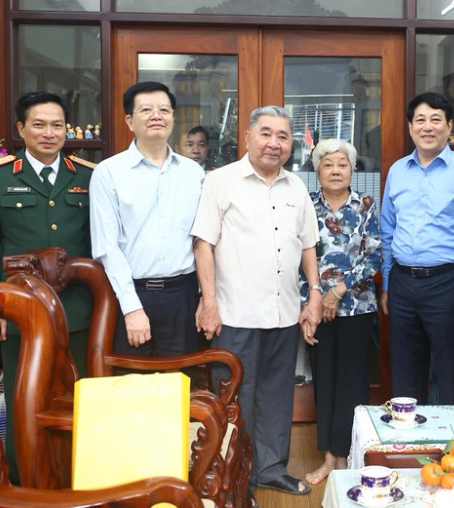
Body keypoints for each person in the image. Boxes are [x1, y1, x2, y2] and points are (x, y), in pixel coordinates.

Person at [191, 106, 322, 503]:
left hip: (283, 312)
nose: (274, 143)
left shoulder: (296, 187)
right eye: (266, 133)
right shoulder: (221, 181)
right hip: (235, 313)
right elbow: (203, 244)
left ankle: (269, 468)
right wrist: (209, 302)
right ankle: (235, 477)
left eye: (283, 136)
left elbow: (309, 244)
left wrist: (314, 294)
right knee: (236, 400)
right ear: (247, 136)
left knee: (277, 395)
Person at [0, 91, 95, 483]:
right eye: (39, 125)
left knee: (79, 399)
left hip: (76, 311)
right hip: (18, 314)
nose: (49, 133)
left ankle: (76, 479)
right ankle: (25, 481)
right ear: (21, 129)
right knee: (22, 401)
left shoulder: (89, 176)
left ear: (67, 130)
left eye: (57, 125)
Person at [380, 92, 454, 405]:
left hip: (449, 283)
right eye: (421, 120)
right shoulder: (398, 171)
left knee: (450, 371)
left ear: (449, 126)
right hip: (402, 283)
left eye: (436, 120)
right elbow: (388, 230)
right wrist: (388, 284)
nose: (428, 127)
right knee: (404, 373)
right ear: (411, 127)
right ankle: (407, 447)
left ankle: (450, 451)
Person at [90, 81, 204, 362]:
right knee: (134, 392)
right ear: (130, 121)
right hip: (132, 294)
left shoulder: (194, 173)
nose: (157, 115)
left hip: (184, 296)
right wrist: (131, 308)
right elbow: (107, 247)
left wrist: (206, 298)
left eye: (164, 109)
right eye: (146, 110)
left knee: (182, 388)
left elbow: (204, 240)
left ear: (173, 118)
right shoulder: (109, 172)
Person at [298, 139, 381, 485]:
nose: (335, 170)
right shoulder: (305, 207)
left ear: (352, 170)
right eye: (328, 164)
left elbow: (374, 257)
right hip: (316, 308)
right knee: (325, 382)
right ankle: (329, 458)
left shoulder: (365, 206)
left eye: (342, 164)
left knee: (353, 382)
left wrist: (337, 292)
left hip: (356, 307)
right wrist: (313, 303)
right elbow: (298, 257)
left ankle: (351, 458)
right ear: (317, 171)